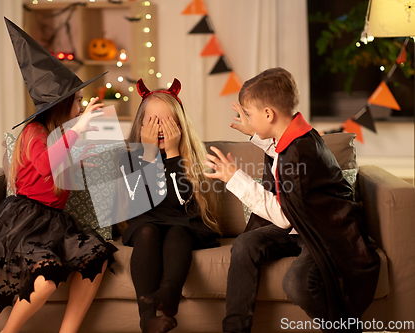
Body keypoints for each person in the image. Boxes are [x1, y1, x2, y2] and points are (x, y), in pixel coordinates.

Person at [203, 67, 380, 333]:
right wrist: (255, 134)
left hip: (322, 231)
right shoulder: (295, 135)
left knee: (297, 283)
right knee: (245, 244)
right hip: (301, 224)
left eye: (250, 114)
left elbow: (285, 215)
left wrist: (234, 178)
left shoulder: (300, 152)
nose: (248, 119)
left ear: (268, 114)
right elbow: (280, 153)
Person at [0, 18, 116, 333]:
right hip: (24, 221)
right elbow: (45, 166)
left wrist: (82, 161)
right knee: (46, 281)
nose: (80, 107)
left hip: (54, 220)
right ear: (62, 104)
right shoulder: (34, 132)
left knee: (96, 256)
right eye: (77, 101)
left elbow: (59, 173)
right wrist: (78, 129)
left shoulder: (60, 132)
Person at [118, 78, 221, 333]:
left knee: (177, 233)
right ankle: (147, 317)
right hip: (146, 221)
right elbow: (139, 203)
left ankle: (170, 294)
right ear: (141, 125)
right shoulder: (129, 158)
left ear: (180, 125)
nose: (160, 128)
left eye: (166, 121)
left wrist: (173, 156)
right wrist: (149, 155)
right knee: (147, 231)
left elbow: (182, 202)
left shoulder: (193, 157)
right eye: (153, 121)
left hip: (184, 222)